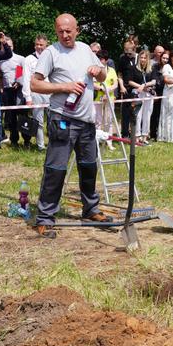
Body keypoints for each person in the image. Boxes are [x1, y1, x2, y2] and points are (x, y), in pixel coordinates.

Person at [30, 13, 109, 238]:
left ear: (77, 30)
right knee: (56, 169)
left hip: (86, 121)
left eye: (69, 31)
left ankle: (91, 210)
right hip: (61, 118)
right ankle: (45, 218)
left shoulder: (85, 49)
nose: (65, 35)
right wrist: (64, 87)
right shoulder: (50, 53)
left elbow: (102, 77)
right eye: (60, 31)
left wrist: (99, 71)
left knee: (88, 167)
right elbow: (35, 84)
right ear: (56, 31)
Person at [22, 34, 50, 149]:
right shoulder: (29, 59)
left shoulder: (51, 57)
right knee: (38, 121)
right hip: (36, 93)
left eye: (41, 45)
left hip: (50, 91)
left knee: (53, 119)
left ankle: (54, 143)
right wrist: (28, 98)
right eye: (37, 44)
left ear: (46, 45)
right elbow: (26, 78)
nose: (39, 47)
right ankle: (40, 145)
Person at [0, 37, 26, 148]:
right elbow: (0, 75)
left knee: (22, 115)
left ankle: (26, 140)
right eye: (6, 46)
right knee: (11, 117)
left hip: (19, 90)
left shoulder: (20, 59)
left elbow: (24, 72)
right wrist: (1, 88)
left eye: (10, 46)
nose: (8, 48)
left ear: (13, 46)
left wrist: (19, 82)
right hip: (7, 90)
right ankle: (14, 140)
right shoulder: (0, 61)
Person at [93, 49, 118, 149]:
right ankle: (97, 143)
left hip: (109, 98)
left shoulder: (111, 70)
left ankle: (109, 142)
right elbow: (93, 83)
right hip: (97, 98)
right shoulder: (95, 70)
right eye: (98, 58)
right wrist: (101, 89)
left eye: (102, 59)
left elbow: (115, 83)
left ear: (106, 60)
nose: (100, 60)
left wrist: (108, 90)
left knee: (109, 121)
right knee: (98, 121)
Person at [130, 49, 155, 145]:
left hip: (148, 94)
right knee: (138, 115)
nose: (143, 59)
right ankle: (136, 137)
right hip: (138, 94)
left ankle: (144, 136)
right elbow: (130, 81)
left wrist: (144, 85)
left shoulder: (151, 69)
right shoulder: (134, 68)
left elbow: (153, 81)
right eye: (141, 57)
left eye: (145, 58)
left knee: (147, 115)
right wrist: (139, 86)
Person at [118, 40, 138, 138]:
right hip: (126, 89)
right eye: (126, 52)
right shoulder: (122, 59)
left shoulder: (138, 58)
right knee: (125, 112)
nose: (128, 54)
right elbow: (120, 74)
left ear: (134, 50)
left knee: (135, 112)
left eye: (130, 53)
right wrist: (121, 86)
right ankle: (125, 134)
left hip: (137, 89)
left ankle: (135, 133)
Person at [149, 51, 168, 140]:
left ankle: (162, 133)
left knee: (163, 113)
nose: (165, 60)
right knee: (155, 114)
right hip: (157, 92)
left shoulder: (169, 67)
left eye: (167, 58)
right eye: (163, 58)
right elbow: (154, 79)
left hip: (166, 92)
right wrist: (154, 93)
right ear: (160, 58)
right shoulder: (155, 67)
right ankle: (153, 133)